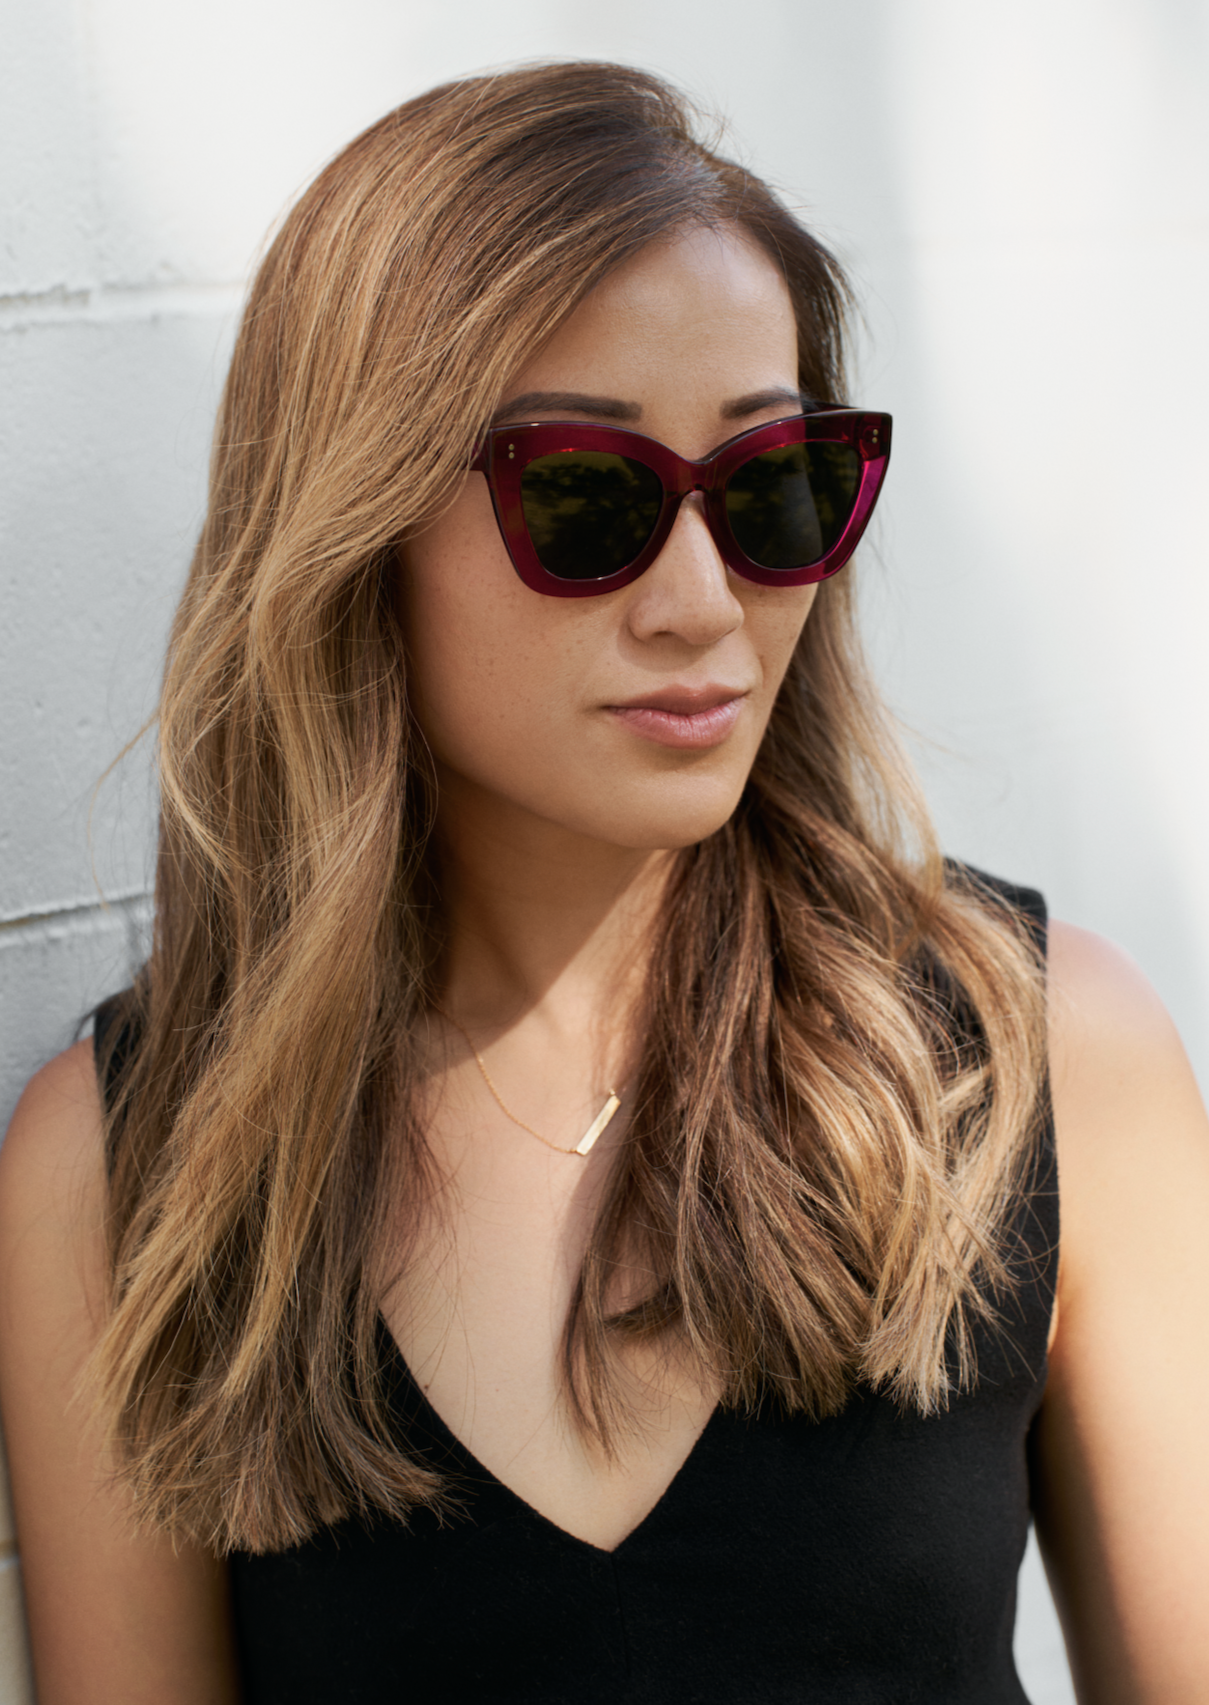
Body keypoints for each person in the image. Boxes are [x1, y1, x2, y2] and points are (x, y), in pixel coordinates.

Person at [1, 60, 1206, 1705]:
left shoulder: (1040, 1058)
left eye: (772, 484)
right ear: (354, 529)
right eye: (587, 494)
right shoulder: (130, 1178)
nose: (704, 602)